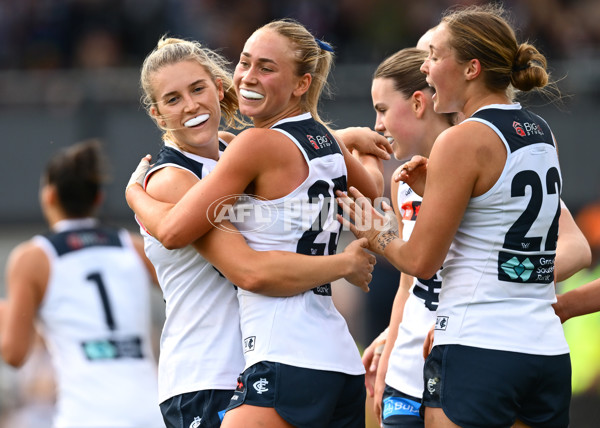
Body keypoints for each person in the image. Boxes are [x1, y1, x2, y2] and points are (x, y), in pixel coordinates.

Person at [338, 4, 575, 427]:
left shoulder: (462, 140)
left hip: (478, 346)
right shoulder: (541, 130)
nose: (425, 69)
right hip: (546, 351)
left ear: (471, 69)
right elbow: (501, 221)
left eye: (434, 56)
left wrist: (376, 233)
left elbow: (420, 263)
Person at [134, 35, 380, 428]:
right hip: (206, 374)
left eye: (197, 89)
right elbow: (238, 264)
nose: (191, 105)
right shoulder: (170, 179)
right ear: (158, 115)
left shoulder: (236, 152)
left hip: (262, 361)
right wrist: (135, 195)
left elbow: (290, 155)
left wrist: (340, 140)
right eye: (173, 99)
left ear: (219, 88)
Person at [0, 140, 165, 427]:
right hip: (152, 412)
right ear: (98, 198)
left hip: (87, 416)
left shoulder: (33, 258)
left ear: (49, 196)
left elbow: (14, 354)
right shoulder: (134, 247)